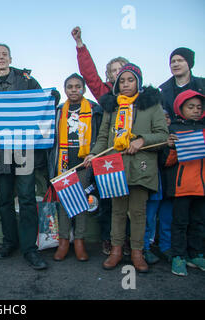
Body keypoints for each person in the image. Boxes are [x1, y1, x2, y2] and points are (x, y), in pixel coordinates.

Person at [83, 63, 169, 273]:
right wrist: (94, 153)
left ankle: (138, 253)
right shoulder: (112, 107)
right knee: (118, 211)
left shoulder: (151, 105)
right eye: (122, 81)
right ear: (116, 84)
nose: (126, 84)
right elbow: (104, 137)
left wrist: (142, 140)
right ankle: (116, 251)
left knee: (138, 212)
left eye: (130, 80)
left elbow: (163, 136)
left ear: (138, 82)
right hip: (114, 166)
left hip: (141, 166)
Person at [0, 43, 52, 270]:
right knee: (6, 199)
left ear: (10, 58)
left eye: (4, 54)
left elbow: (42, 104)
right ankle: (9, 242)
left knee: (28, 199)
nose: (1, 58)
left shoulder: (28, 81)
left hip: (24, 150)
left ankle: (30, 249)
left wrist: (51, 97)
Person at [71, 26, 130, 256]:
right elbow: (89, 75)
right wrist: (80, 45)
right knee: (108, 201)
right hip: (110, 157)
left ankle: (129, 242)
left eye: (122, 69)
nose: (118, 74)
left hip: (135, 156)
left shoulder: (143, 97)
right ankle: (108, 239)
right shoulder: (106, 95)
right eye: (114, 71)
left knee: (131, 203)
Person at [48, 74, 103, 262]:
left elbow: (102, 135)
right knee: (64, 203)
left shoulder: (95, 110)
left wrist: (94, 153)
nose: (73, 90)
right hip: (63, 161)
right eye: (70, 86)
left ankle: (79, 240)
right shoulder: (58, 111)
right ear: (65, 90)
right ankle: (63, 240)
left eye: (77, 86)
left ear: (84, 89)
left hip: (84, 162)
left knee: (81, 203)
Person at [166, 89, 204, 276]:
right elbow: (167, 163)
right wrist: (172, 148)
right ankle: (178, 256)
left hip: (202, 187)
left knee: (199, 222)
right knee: (180, 223)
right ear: (180, 108)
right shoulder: (174, 129)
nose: (196, 110)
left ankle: (196, 254)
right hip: (182, 187)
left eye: (199, 107)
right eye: (191, 107)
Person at [143, 110, 174, 264]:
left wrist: (173, 146)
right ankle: (145, 248)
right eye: (160, 117)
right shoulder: (149, 138)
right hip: (153, 184)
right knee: (148, 218)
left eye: (167, 116)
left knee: (166, 219)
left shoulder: (177, 135)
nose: (164, 119)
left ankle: (165, 247)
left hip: (170, 185)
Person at [160, 47, 204, 121]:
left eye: (180, 60)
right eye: (173, 61)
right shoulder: (163, 92)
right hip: (173, 131)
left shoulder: (202, 85)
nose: (175, 64)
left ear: (189, 64)